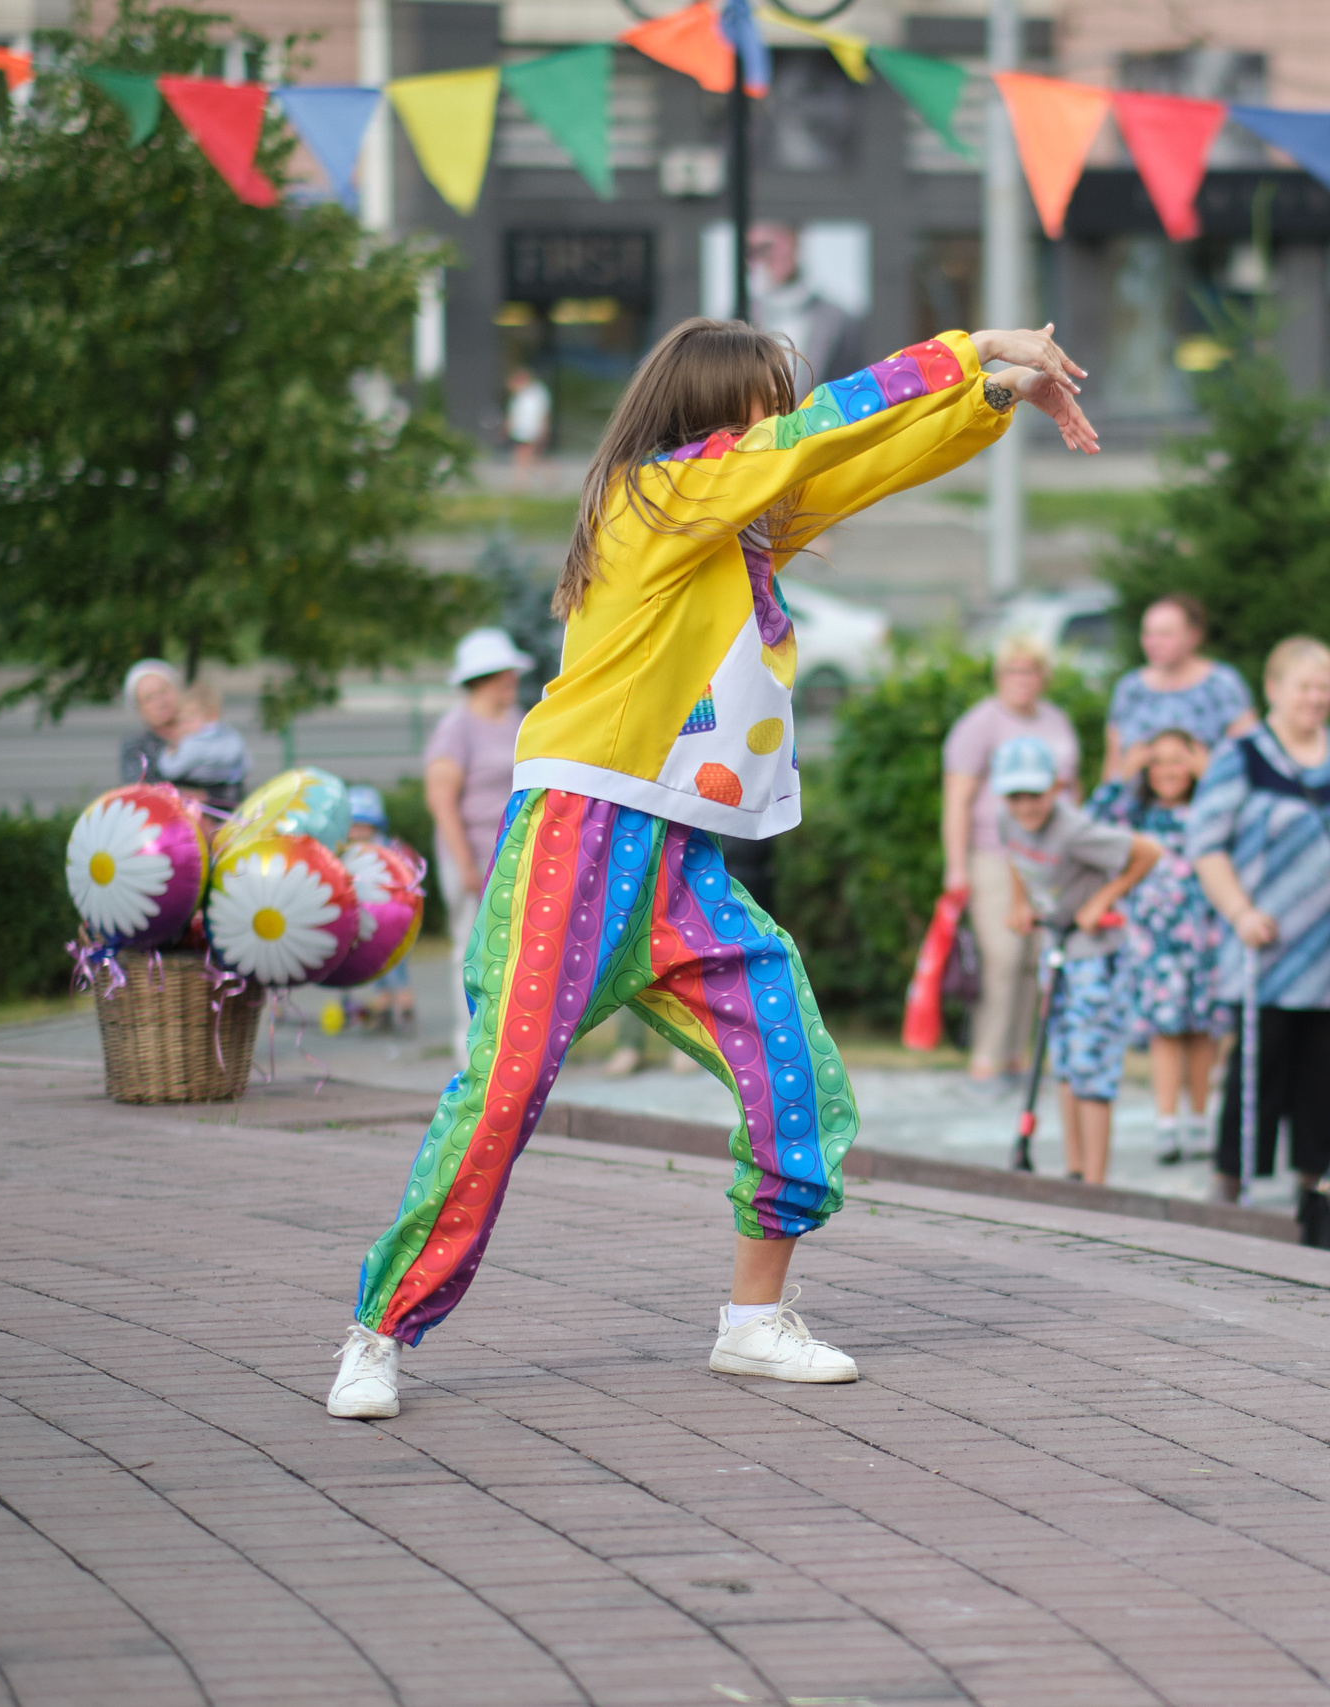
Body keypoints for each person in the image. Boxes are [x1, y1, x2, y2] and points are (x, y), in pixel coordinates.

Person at [323, 316, 1099, 1420]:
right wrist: (971, 348)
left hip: (674, 854)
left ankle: (753, 1322)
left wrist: (995, 399)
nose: (780, 423)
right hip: (576, 838)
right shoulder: (655, 498)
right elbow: (822, 432)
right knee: (499, 1095)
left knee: (796, 1066)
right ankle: (378, 1332)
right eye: (764, 407)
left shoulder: (735, 525)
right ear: (716, 412)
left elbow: (857, 460)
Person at [1190, 636, 1330, 1206]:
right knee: (1257, 1074)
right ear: (1274, 689)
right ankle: (1230, 1190)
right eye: (1304, 686)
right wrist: (1239, 912)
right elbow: (1205, 844)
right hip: (1265, 946)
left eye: (1324, 687)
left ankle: (1316, 1192)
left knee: (1324, 1077)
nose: (1316, 698)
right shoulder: (1244, 755)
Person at [995, 735, 1161, 1185]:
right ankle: (1074, 1171)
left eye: (1035, 793)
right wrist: (1020, 903)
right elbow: (1015, 857)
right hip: (1060, 950)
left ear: (1057, 786)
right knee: (1064, 1064)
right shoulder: (1007, 820)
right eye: (1016, 795)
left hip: (1098, 958)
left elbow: (1148, 851)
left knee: (1091, 1068)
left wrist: (1101, 900)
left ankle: (1095, 1184)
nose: (1026, 805)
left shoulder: (1074, 830)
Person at [943, 635, 1083, 1085]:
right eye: (1013, 671)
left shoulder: (1056, 721)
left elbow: (1071, 787)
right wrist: (957, 866)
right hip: (995, 852)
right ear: (1000, 676)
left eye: (1031, 671)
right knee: (1001, 954)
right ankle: (986, 1058)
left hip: (1049, 852)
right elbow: (958, 799)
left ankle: (1019, 1056)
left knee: (1036, 957)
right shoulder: (981, 723)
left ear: (1043, 677)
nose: (1022, 680)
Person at [1100, 726, 1226, 1166]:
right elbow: (1092, 823)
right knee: (1166, 1031)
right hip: (1155, 939)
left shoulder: (1208, 809)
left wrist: (1212, 774)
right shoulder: (1136, 814)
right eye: (1158, 761)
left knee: (1203, 1031)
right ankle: (1166, 1123)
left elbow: (1238, 814)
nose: (1168, 770)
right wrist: (1120, 773)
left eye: (1179, 760)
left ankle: (1199, 1119)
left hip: (1205, 935)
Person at [424, 627, 535, 1066]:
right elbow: (441, 800)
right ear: (487, 676)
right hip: (470, 855)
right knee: (470, 949)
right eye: (506, 672)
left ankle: (507, 1041)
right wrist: (465, 864)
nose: (513, 679)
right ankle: (469, 1045)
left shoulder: (515, 720)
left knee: (513, 950)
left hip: (511, 855)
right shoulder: (458, 727)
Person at [1101, 594, 1257, 781]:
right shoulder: (1129, 688)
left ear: (1194, 635)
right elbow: (1113, 766)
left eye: (1165, 634)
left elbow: (1250, 759)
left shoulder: (1223, 684)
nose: (1153, 643)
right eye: (1148, 633)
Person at [748, 220, 860, 392]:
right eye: (758, 250)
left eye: (773, 245)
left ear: (795, 241)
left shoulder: (837, 320)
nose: (770, 256)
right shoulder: (740, 318)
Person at [341, 785, 417, 1034]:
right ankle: (384, 1006)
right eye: (354, 826)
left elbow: (409, 874)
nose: (358, 832)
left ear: (375, 826)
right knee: (376, 965)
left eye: (364, 826)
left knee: (397, 964)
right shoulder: (348, 851)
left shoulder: (387, 848)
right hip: (368, 919)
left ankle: (405, 1005)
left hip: (394, 917)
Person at [154, 678, 251, 808]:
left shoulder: (192, 744)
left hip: (200, 795)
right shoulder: (230, 736)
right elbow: (246, 764)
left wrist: (168, 753)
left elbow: (170, 770)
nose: (183, 726)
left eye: (187, 720)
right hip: (230, 794)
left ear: (209, 717)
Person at [120, 659, 186, 788]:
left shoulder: (206, 733)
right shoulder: (136, 747)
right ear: (139, 710)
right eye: (149, 698)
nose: (160, 702)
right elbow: (142, 793)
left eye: (163, 691)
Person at [505, 367, 551, 479]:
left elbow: (542, 412)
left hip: (530, 429)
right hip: (523, 429)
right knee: (524, 455)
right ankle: (522, 479)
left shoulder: (535, 393)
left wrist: (543, 428)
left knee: (525, 455)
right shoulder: (521, 395)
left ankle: (522, 480)